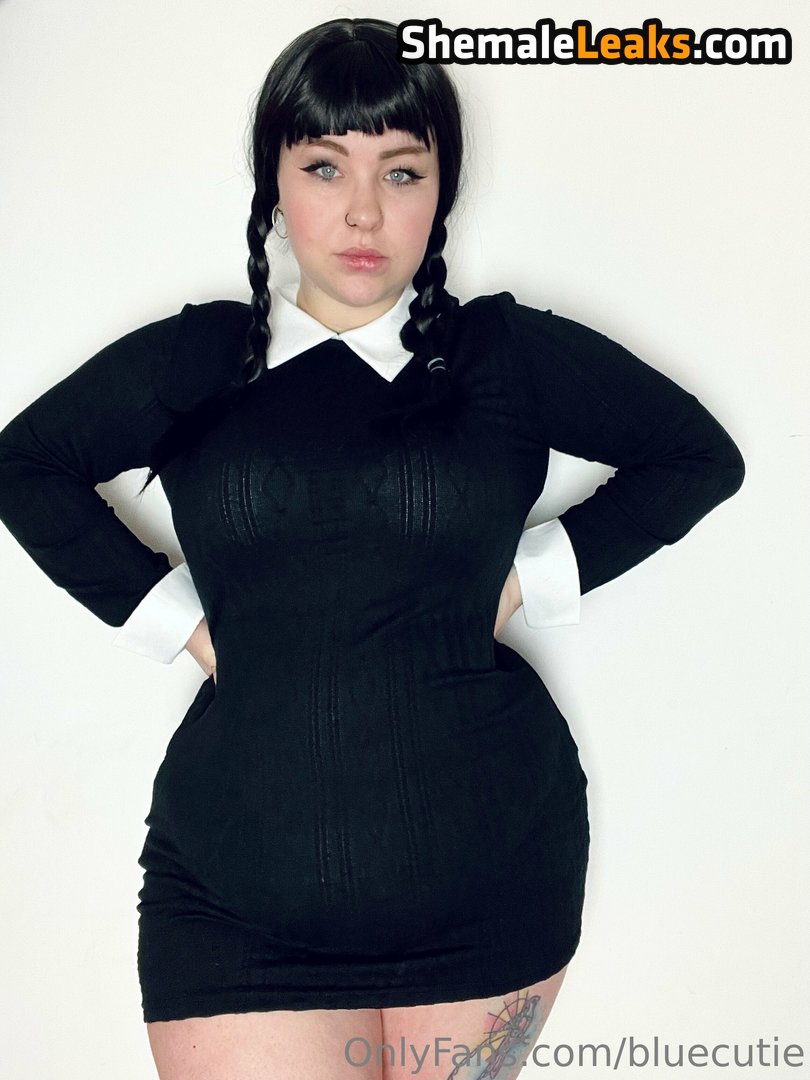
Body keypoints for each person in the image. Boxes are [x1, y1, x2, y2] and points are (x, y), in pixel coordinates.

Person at [0, 16, 745, 1080]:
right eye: (324, 166)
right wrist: (184, 627)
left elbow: (697, 457)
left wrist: (522, 583)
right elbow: (25, 466)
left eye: (401, 172)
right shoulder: (204, 359)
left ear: (442, 191)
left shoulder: (499, 355)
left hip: (490, 887)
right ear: (273, 181)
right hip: (234, 905)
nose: (363, 211)